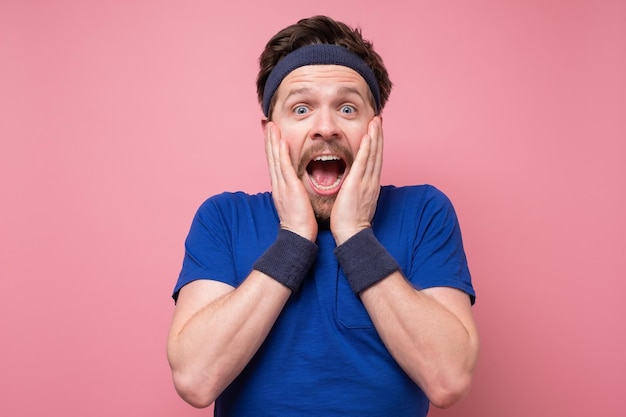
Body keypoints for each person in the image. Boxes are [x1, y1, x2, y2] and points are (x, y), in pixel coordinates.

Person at [167, 15, 479, 416]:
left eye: (347, 108)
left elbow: (448, 379)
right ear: (271, 133)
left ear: (374, 129)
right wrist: (294, 239)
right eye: (301, 109)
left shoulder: (423, 213)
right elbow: (195, 380)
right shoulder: (224, 219)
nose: (325, 128)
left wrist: (356, 235)